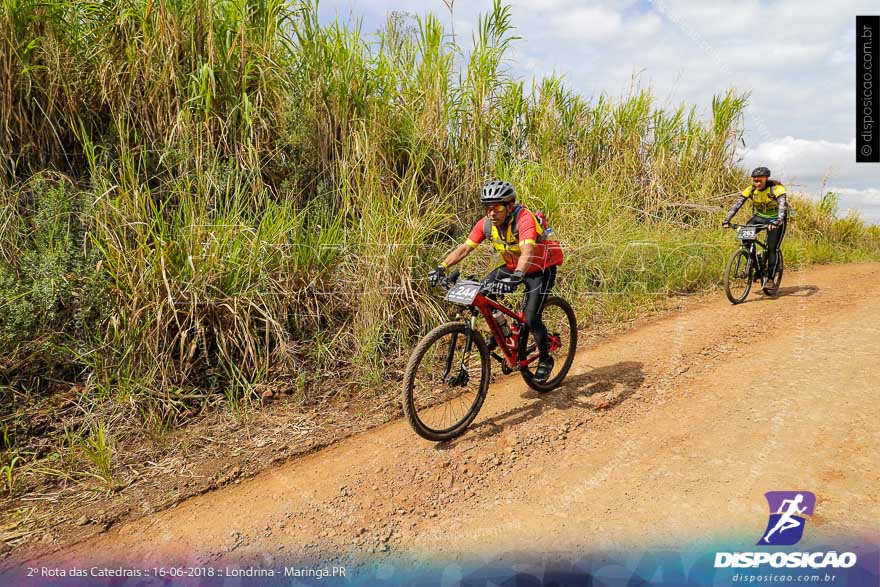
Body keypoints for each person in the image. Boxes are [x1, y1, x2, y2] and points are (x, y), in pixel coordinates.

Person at [428, 180, 563, 382]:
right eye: (488, 208)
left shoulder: (524, 219)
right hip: (513, 266)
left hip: (541, 268)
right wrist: (442, 266)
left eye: (497, 208)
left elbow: (527, 251)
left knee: (531, 317)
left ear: (509, 206)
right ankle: (503, 335)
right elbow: (465, 248)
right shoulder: (487, 224)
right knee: (483, 293)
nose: (492, 213)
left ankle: (545, 359)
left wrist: (517, 277)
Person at [722, 166, 788, 290]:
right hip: (760, 217)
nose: (757, 183)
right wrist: (727, 220)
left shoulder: (777, 189)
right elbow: (737, 205)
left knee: (771, 248)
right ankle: (755, 262)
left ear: (766, 179)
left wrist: (778, 221)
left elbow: (782, 207)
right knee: (745, 238)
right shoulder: (751, 190)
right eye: (755, 181)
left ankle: (770, 279)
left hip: (776, 220)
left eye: (760, 181)